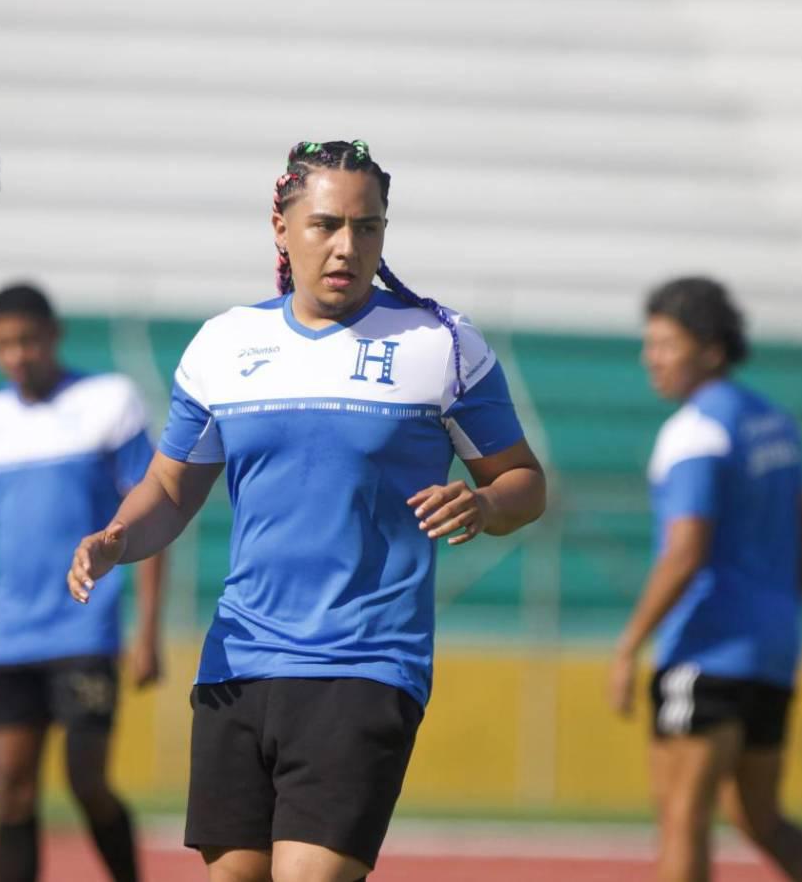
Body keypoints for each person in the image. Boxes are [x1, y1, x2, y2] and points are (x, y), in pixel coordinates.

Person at [69, 140, 547, 882]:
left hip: (366, 662)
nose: (347, 246)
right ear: (282, 228)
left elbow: (526, 482)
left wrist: (484, 502)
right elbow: (169, 489)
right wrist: (116, 537)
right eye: (326, 225)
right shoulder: (224, 345)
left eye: (367, 227)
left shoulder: (441, 343)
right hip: (238, 661)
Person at [0, 282, 165, 882]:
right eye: (4, 345)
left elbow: (149, 517)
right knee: (13, 790)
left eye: (28, 341)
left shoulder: (108, 402)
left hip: (85, 630)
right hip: (10, 640)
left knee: (87, 782)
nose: (17, 356)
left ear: (54, 336)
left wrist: (147, 632)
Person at [609, 277, 802, 882]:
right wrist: (779, 617)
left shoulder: (695, 430)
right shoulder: (776, 423)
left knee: (682, 818)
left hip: (706, 650)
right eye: (649, 343)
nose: (651, 358)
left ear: (711, 350)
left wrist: (629, 646)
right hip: (772, 649)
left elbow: (685, 552)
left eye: (666, 344)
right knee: (761, 818)